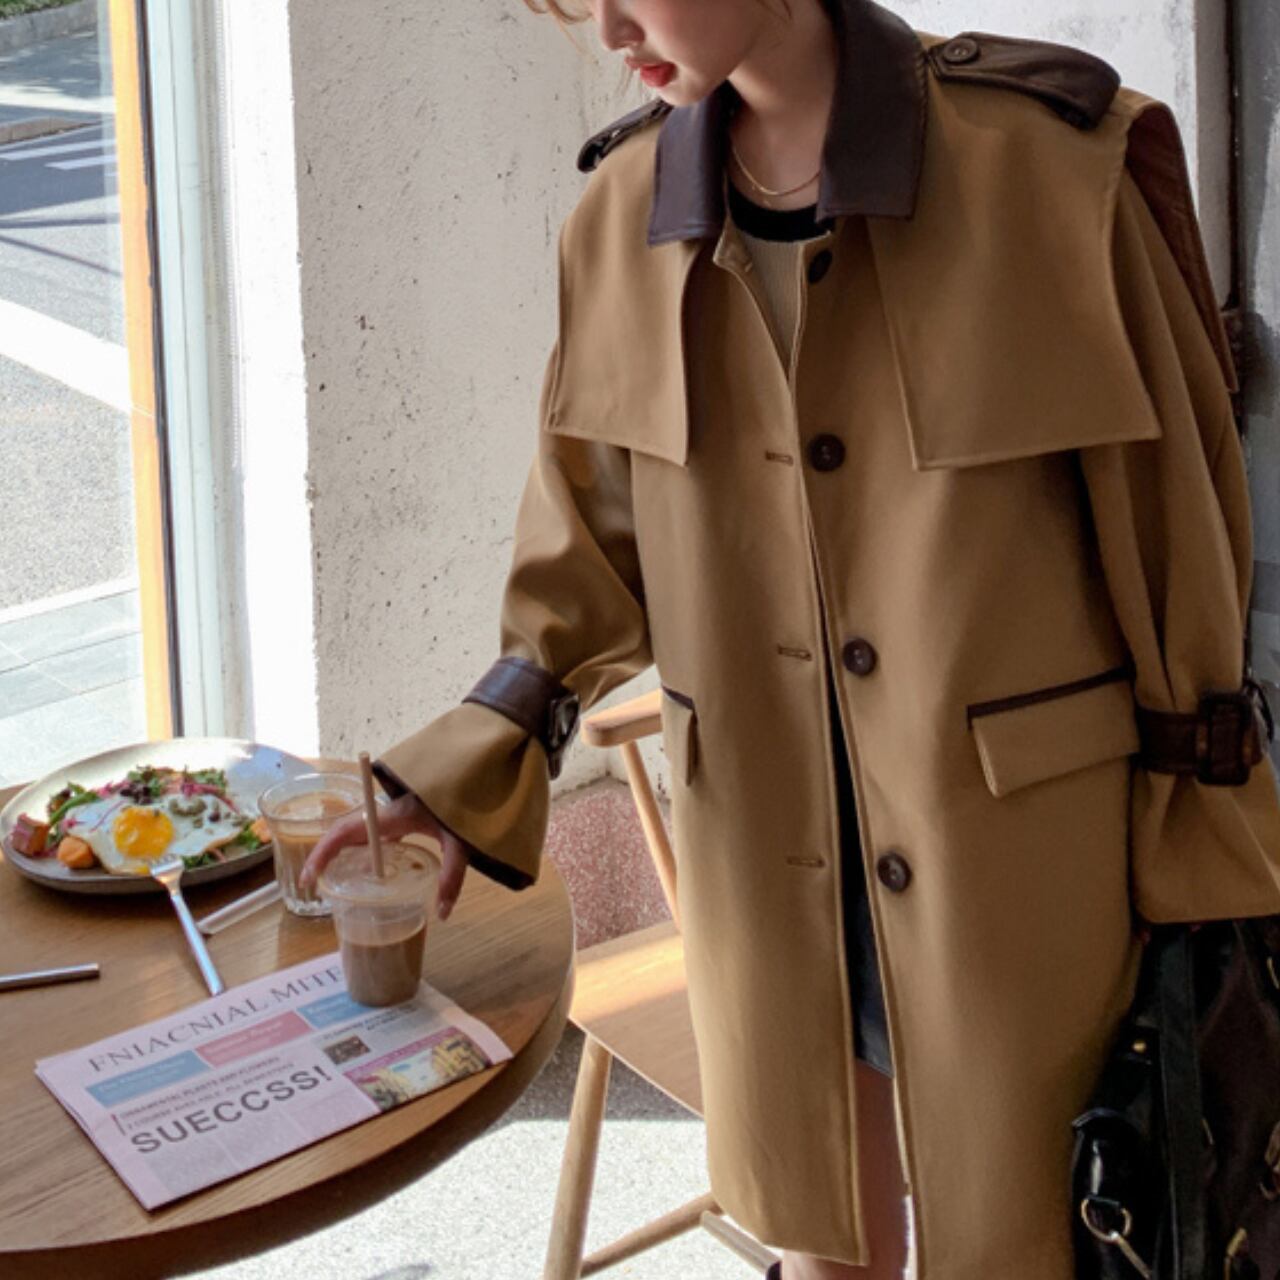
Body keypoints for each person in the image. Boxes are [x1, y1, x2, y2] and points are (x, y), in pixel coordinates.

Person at [303, 2, 1280, 1277]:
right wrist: (464, 769)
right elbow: (586, 550)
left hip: (1022, 864)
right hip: (764, 852)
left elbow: (1173, 537)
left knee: (1045, 1234)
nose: (608, 30)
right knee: (820, 1232)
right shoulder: (619, 220)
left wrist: (1200, 851)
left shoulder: (1048, 166)